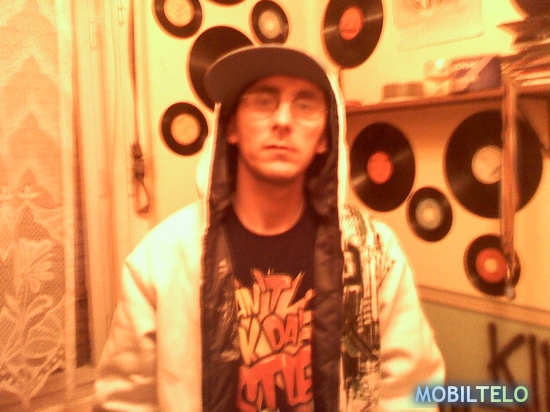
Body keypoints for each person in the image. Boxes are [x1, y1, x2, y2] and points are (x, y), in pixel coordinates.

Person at [93, 44, 445, 412]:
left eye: (305, 105)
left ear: (325, 137)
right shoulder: (161, 259)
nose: (283, 120)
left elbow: (410, 392)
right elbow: (125, 402)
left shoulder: (375, 252)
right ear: (231, 127)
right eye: (263, 101)